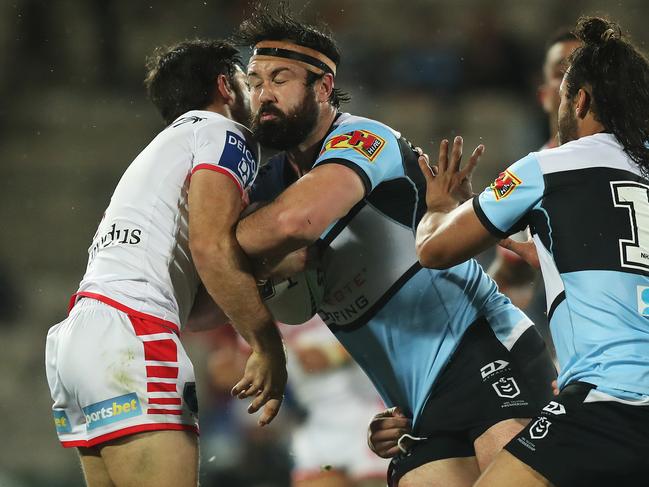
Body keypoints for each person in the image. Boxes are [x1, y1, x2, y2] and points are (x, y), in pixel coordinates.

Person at [232, 7, 556, 487]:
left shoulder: (364, 139)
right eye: (255, 82)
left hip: (481, 350)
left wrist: (222, 241)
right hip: (411, 402)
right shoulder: (271, 182)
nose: (263, 95)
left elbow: (297, 220)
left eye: (280, 78)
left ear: (323, 89)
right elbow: (285, 304)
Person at [414, 16, 649, 487]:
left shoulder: (548, 167)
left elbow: (435, 252)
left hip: (609, 399)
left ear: (578, 99)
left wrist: (439, 207)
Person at [44, 39, 288, 487]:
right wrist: (267, 346)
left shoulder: (162, 150)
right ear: (224, 84)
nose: (255, 93)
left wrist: (259, 279)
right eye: (246, 80)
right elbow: (210, 248)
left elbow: (196, 310)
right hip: (133, 332)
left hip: (80, 338)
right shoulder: (222, 131)